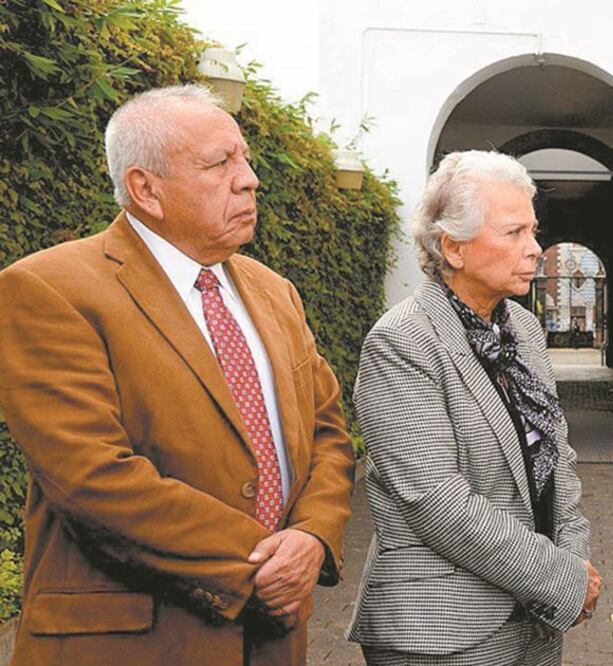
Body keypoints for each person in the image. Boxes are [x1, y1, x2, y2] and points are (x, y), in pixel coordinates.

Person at [0, 84, 356, 665]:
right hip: (128, 644)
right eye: (220, 164)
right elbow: (90, 477)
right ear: (146, 189)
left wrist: (313, 536)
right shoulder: (49, 289)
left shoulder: (275, 291)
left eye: (245, 158)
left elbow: (327, 434)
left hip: (272, 640)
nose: (249, 179)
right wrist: (263, 561)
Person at [347, 150, 600, 665]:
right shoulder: (402, 341)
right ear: (453, 248)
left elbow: (558, 458)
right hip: (443, 631)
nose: (535, 249)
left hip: (537, 620)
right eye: (514, 233)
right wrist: (562, 577)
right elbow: (437, 501)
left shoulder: (523, 329)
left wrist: (573, 561)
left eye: (533, 231)